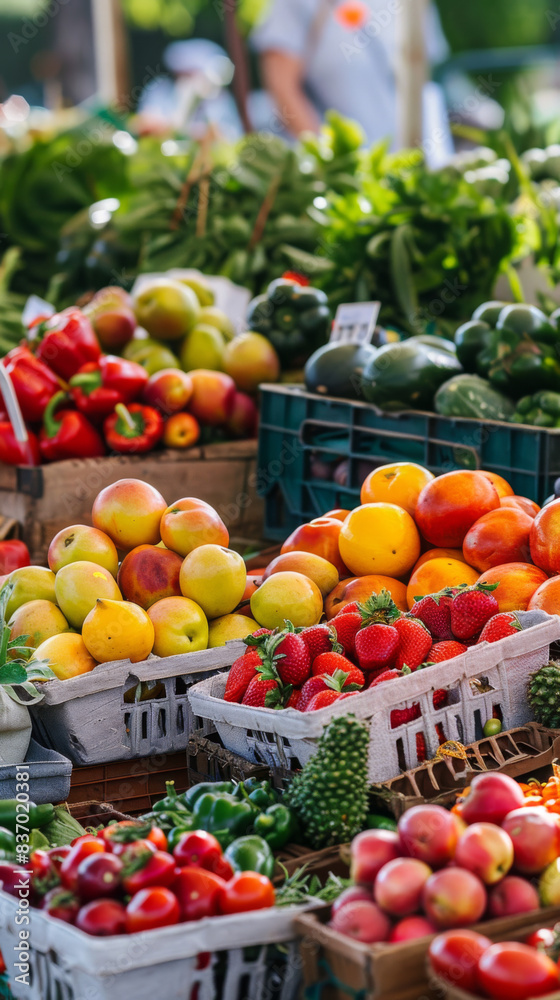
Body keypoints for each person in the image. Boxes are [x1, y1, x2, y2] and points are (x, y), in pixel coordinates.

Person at [251, 0, 453, 162]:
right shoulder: (294, 5)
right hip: (345, 179)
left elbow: (426, 79)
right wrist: (329, 163)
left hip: (412, 164)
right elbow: (282, 88)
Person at [137, 38, 242, 139]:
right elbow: (144, 124)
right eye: (185, 74)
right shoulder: (160, 89)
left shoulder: (218, 98)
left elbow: (228, 134)